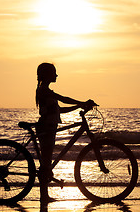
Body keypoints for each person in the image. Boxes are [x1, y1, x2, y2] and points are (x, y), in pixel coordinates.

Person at [35, 62, 95, 203]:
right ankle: (44, 196)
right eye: (53, 72)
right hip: (46, 128)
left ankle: (45, 195)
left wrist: (77, 106)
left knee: (47, 162)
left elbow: (59, 109)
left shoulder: (45, 90)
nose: (56, 75)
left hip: (50, 127)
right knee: (45, 163)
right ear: (47, 75)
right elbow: (64, 99)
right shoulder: (44, 90)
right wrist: (82, 103)